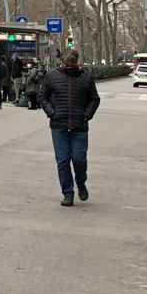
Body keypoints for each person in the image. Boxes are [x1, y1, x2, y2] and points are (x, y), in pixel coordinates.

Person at [40, 49, 100, 205]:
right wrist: (51, 113)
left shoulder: (86, 78)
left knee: (79, 159)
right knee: (63, 161)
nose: (69, 67)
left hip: (79, 126)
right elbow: (43, 96)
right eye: (66, 64)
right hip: (58, 125)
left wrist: (87, 115)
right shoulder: (52, 76)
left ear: (77, 63)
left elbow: (95, 99)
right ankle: (68, 193)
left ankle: (81, 183)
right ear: (63, 63)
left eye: (72, 65)